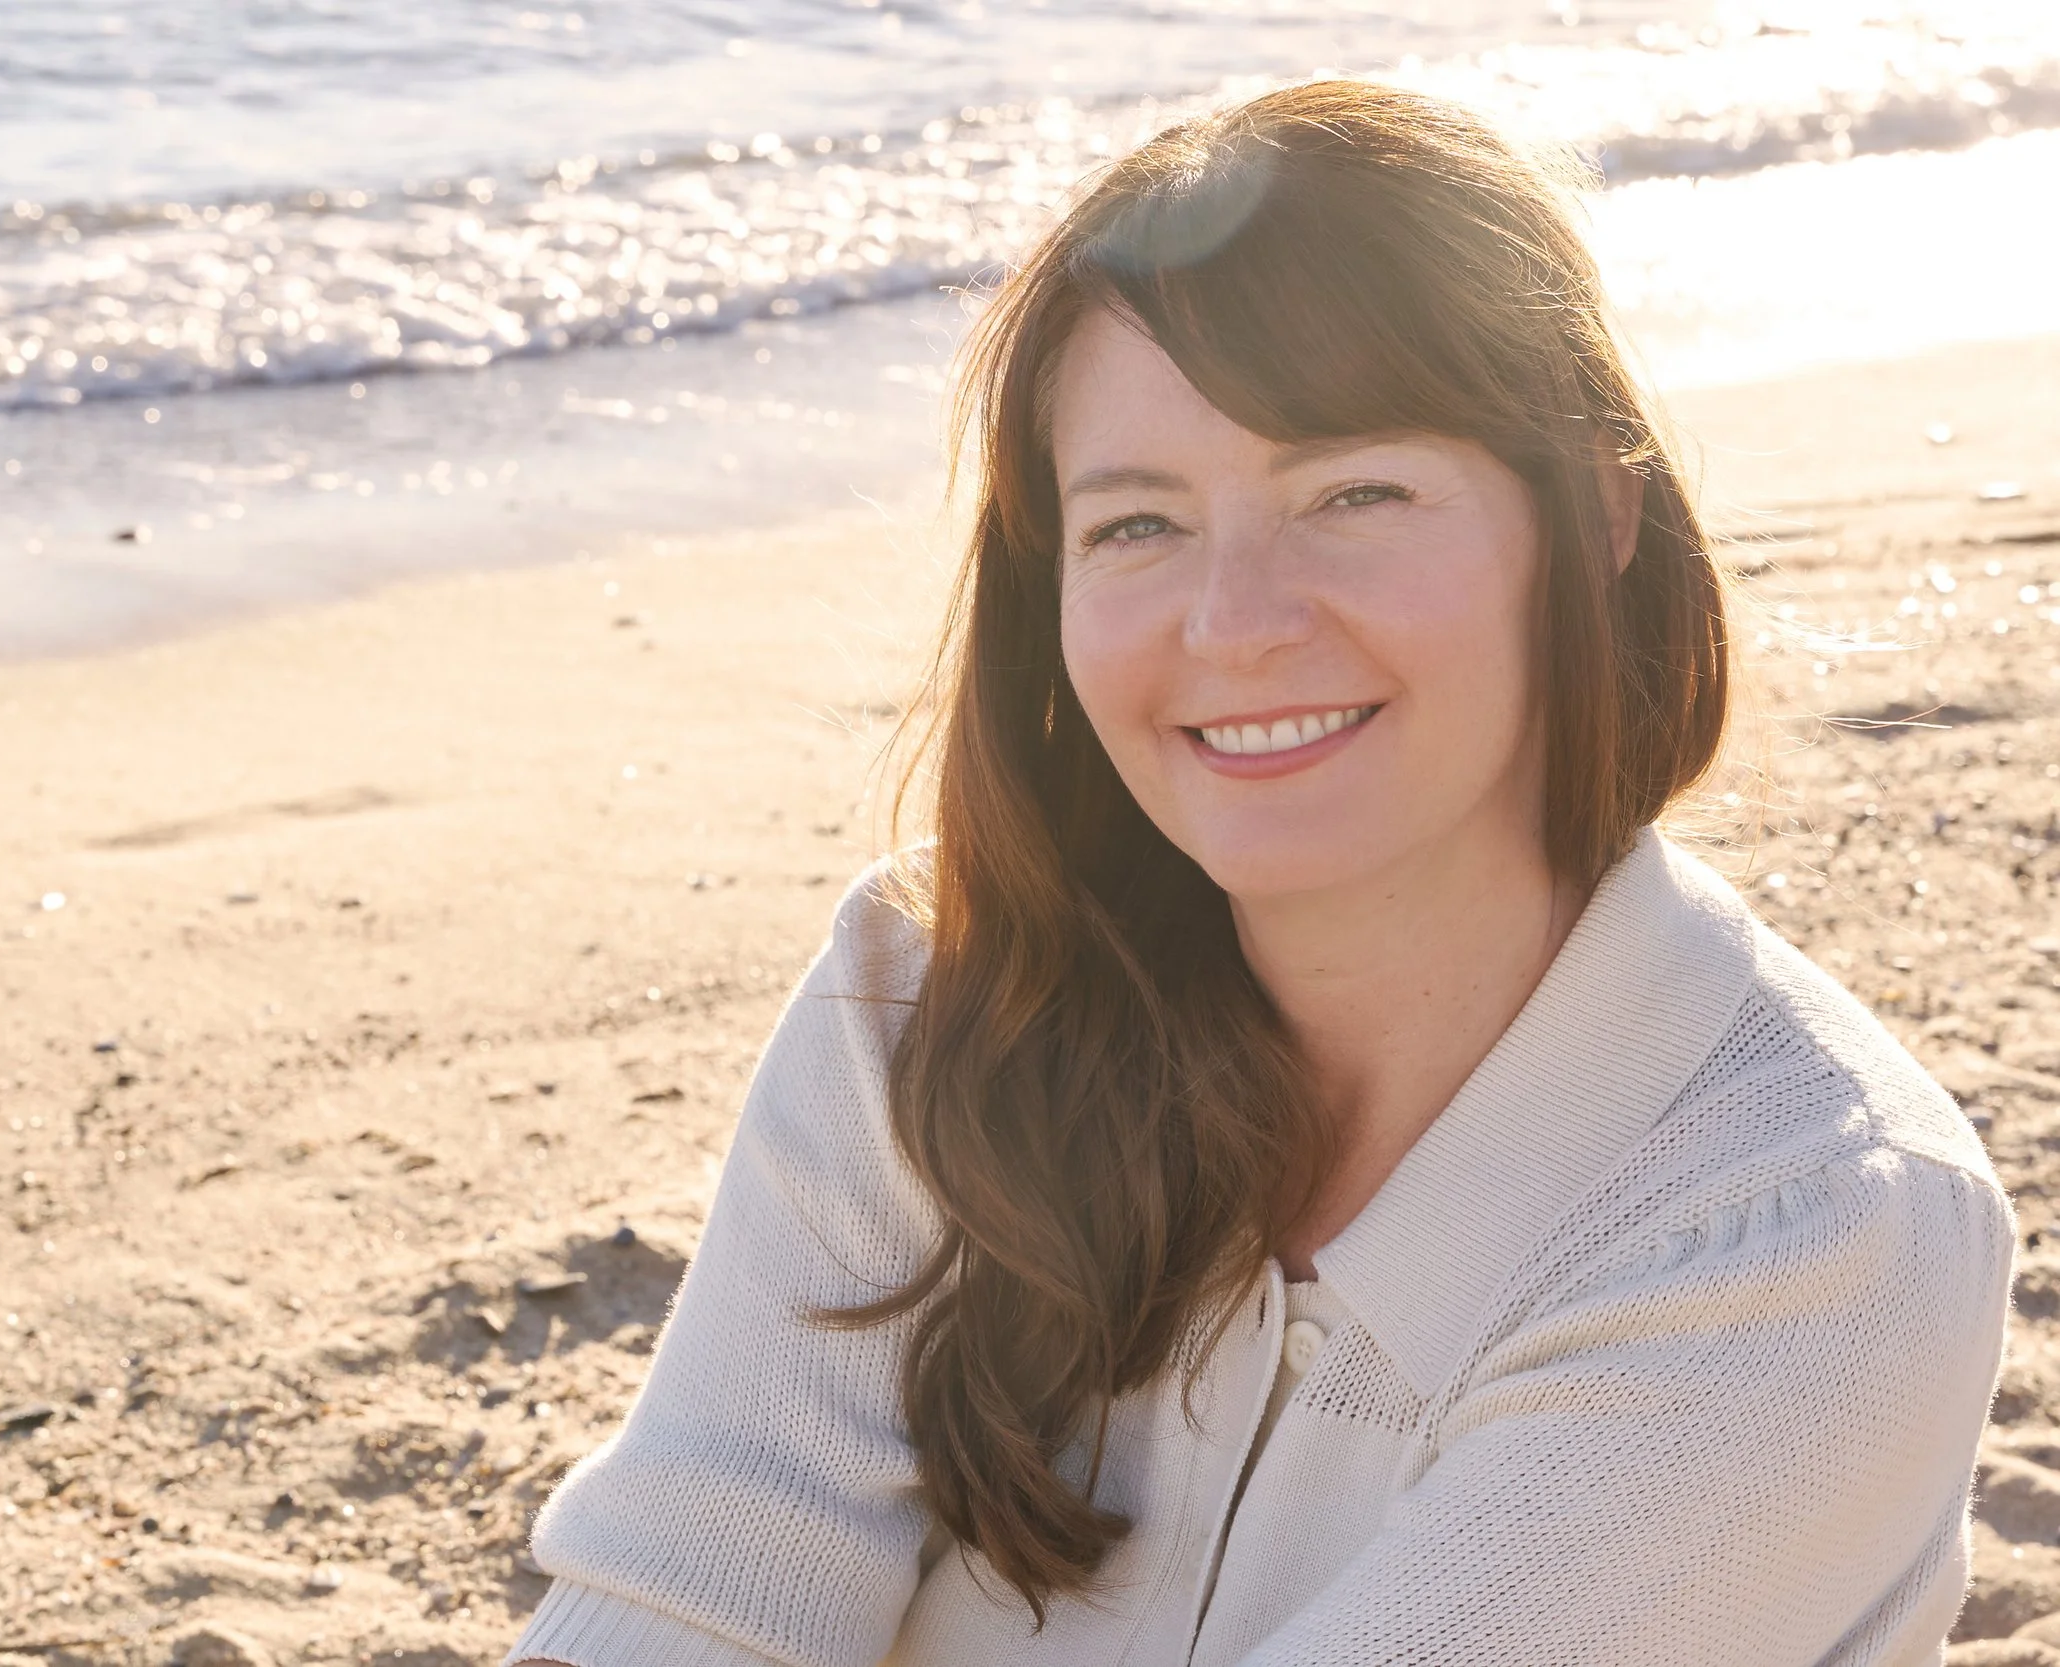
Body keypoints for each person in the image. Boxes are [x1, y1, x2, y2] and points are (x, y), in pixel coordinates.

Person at [506, 79, 2013, 1666]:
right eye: (1138, 524)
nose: (1235, 620)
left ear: (1595, 514)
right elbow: (684, 1595)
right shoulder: (934, 995)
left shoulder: (1805, 1236)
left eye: (1354, 492)